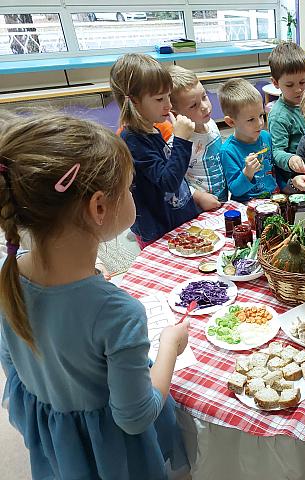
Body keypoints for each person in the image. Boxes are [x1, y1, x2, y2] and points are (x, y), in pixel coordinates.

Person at [0, 114, 189, 479]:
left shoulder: (8, 278)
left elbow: (17, 374)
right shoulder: (118, 312)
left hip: (60, 446)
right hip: (117, 457)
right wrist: (169, 345)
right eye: (130, 189)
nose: (133, 196)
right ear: (99, 207)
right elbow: (135, 417)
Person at [110, 53, 218, 249]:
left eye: (168, 96)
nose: (168, 105)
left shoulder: (153, 128)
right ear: (134, 101)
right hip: (157, 231)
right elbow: (168, 181)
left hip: (177, 219)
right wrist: (181, 140)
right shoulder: (132, 140)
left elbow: (173, 172)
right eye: (160, 99)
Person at [166, 64, 227, 204]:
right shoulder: (177, 144)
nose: (205, 107)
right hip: (199, 206)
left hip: (222, 199)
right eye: (194, 105)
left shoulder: (211, 124)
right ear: (176, 114)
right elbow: (175, 181)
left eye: (204, 97)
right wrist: (198, 197)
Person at [218, 78, 278, 202]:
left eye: (261, 115)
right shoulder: (228, 151)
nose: (260, 123)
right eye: (251, 120)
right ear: (231, 122)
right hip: (247, 204)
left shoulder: (266, 137)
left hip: (273, 198)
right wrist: (247, 173)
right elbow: (235, 190)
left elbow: (274, 170)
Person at [267, 42, 305, 190]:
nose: (298, 89)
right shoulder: (279, 116)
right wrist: (290, 159)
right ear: (275, 83)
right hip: (292, 179)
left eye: (302, 82)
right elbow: (276, 152)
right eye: (290, 85)